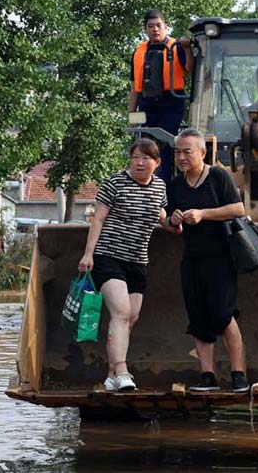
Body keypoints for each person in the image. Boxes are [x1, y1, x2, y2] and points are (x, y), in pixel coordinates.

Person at [78, 139, 178, 392]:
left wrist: (173, 224)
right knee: (121, 312)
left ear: (157, 163)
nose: (139, 163)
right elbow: (98, 220)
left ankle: (112, 375)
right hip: (108, 256)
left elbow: (161, 216)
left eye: (146, 158)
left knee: (130, 317)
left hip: (138, 260)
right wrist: (88, 254)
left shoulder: (159, 187)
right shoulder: (114, 183)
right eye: (135, 157)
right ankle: (122, 371)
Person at [166, 128, 249, 393]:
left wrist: (203, 214)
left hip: (220, 257)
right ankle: (208, 377)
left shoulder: (218, 177)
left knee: (223, 315)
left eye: (186, 152)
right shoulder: (176, 184)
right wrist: (174, 221)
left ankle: (238, 376)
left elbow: (238, 209)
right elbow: (168, 221)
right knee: (198, 318)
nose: (181, 157)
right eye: (177, 152)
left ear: (202, 152)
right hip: (192, 259)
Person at [129, 9, 192, 183]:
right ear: (145, 29)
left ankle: (163, 184)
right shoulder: (138, 52)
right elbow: (135, 87)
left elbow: (189, 67)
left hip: (171, 103)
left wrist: (187, 48)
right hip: (147, 105)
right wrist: (132, 116)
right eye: (150, 26)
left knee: (163, 147)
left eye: (158, 25)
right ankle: (145, 184)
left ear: (166, 26)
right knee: (143, 146)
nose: (155, 29)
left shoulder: (176, 47)